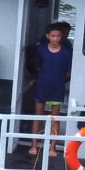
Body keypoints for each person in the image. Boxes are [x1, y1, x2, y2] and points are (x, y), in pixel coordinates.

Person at [26, 21, 75, 159]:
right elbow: (38, 66)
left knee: (55, 118)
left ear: (62, 37)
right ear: (48, 36)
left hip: (57, 87)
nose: (56, 38)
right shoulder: (41, 49)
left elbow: (67, 72)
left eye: (58, 36)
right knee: (38, 115)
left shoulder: (66, 52)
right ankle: (34, 145)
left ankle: (52, 147)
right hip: (42, 85)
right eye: (53, 36)